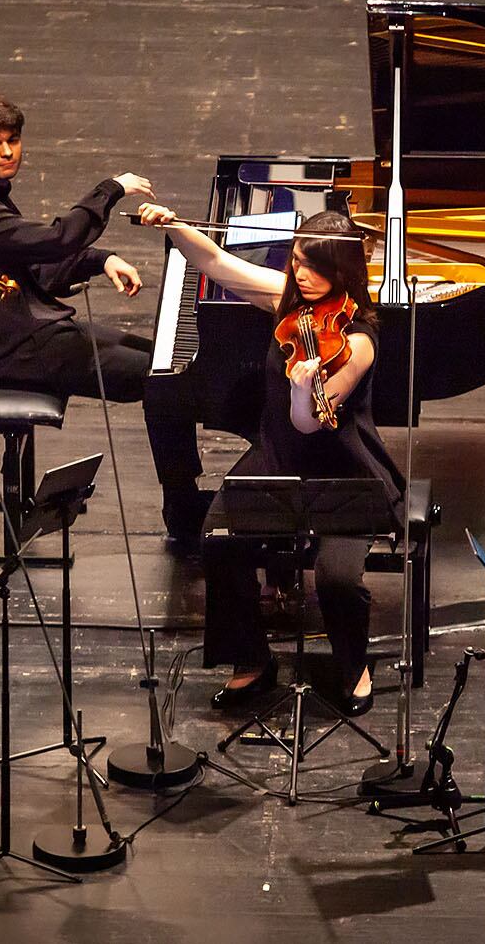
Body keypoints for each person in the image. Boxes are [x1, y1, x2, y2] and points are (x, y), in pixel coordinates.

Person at [139, 202, 404, 716]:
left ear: (343, 273)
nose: (302, 275)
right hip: (277, 455)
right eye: (299, 260)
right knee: (218, 540)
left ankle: (354, 663)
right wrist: (174, 226)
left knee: (335, 578)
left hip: (343, 466)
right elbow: (215, 262)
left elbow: (310, 423)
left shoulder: (359, 339)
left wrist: (303, 389)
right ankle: (253, 660)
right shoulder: (287, 302)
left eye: (317, 268)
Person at [0, 92, 208, 542]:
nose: (7, 152)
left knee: (165, 362)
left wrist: (99, 260)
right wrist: (112, 187)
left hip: (39, 331)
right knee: (166, 377)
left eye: (13, 140)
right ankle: (183, 511)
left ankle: (183, 502)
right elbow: (57, 240)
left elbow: (35, 266)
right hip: (20, 351)